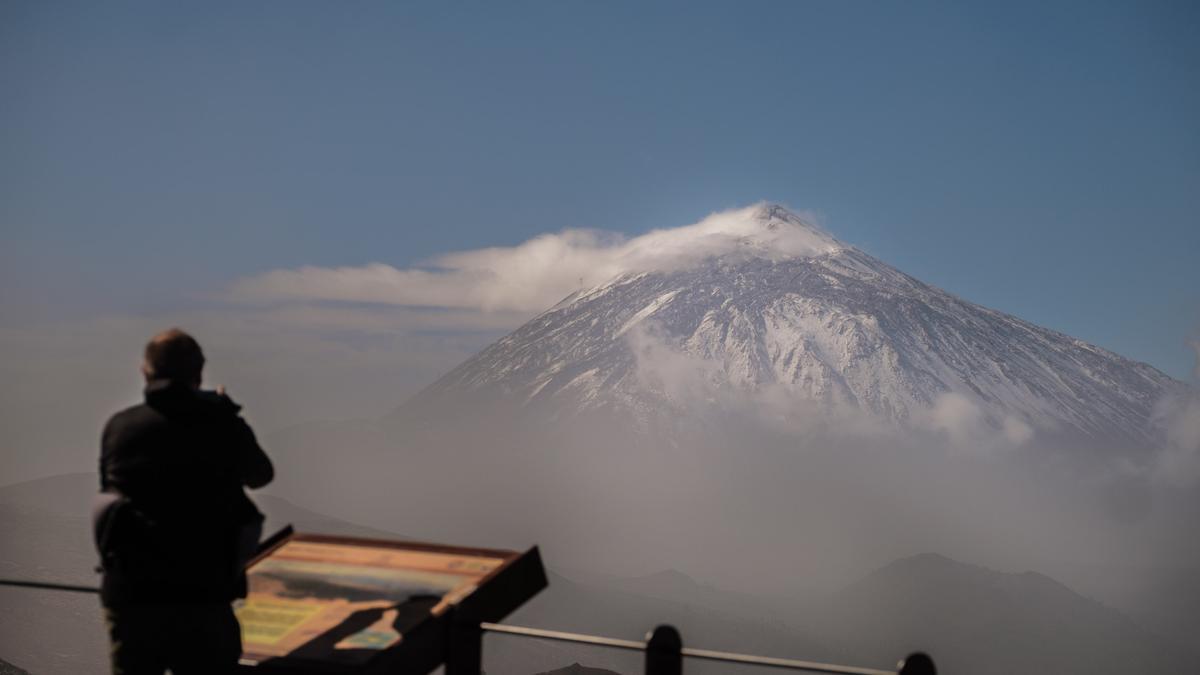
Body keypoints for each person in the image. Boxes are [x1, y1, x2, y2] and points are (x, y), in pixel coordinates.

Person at [95, 328, 273, 675]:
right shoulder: (222, 424)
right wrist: (228, 414)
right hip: (201, 594)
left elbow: (110, 489)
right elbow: (261, 475)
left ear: (146, 372)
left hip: (132, 595)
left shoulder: (120, 427)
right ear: (199, 373)